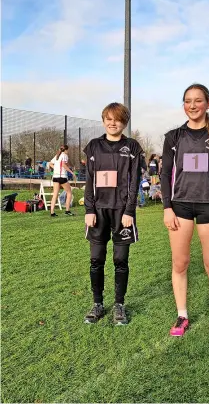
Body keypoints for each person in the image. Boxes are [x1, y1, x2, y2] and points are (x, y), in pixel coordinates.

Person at [161, 83, 209, 341]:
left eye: (198, 100)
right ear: (184, 105)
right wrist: (167, 207)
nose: (192, 105)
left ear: (208, 103)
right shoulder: (173, 136)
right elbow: (165, 173)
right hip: (179, 207)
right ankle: (182, 314)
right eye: (188, 101)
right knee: (180, 263)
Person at [83, 102, 143, 325]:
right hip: (98, 211)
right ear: (103, 120)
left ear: (124, 122)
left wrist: (129, 210)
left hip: (122, 212)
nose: (112, 122)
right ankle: (97, 303)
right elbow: (89, 180)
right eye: (108, 118)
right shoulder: (93, 146)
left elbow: (134, 182)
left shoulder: (133, 147)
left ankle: (119, 305)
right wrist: (89, 209)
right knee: (96, 259)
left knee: (121, 259)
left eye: (117, 119)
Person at [49, 145, 75, 217]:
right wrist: (71, 172)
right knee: (69, 193)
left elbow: (50, 163)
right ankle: (67, 210)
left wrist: (56, 168)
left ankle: (52, 212)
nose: (68, 151)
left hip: (55, 177)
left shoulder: (57, 155)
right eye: (68, 150)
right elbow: (64, 165)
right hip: (62, 177)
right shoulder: (65, 155)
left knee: (55, 194)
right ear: (66, 150)